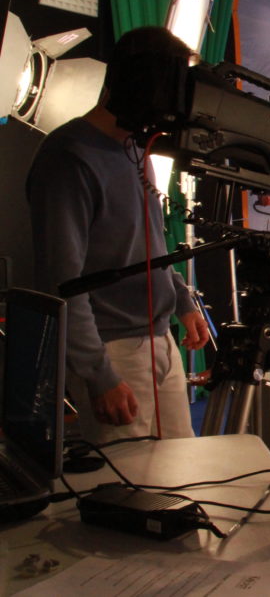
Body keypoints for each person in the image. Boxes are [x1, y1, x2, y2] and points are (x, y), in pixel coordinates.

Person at [27, 26, 210, 443]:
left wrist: (181, 301)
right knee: (130, 478)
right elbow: (62, 280)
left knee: (182, 469)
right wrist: (98, 374)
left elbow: (148, 244)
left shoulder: (135, 151)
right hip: (114, 350)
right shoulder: (69, 156)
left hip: (161, 340)